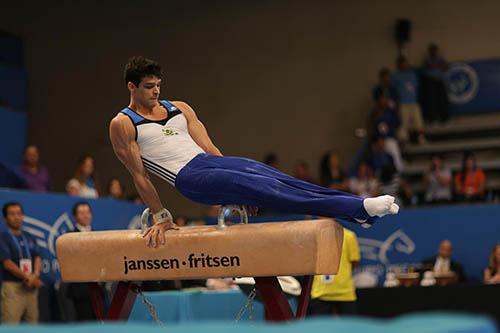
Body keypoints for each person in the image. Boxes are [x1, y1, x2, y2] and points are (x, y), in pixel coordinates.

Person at [109, 56, 399, 247]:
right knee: (275, 194)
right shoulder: (123, 123)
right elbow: (140, 175)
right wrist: (161, 216)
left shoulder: (180, 108)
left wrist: (235, 191)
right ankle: (358, 209)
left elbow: (209, 149)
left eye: (159, 85)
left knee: (276, 179)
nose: (156, 91)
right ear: (131, 86)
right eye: (149, 87)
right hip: (190, 179)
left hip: (209, 164)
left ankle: (358, 211)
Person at [0, 202, 43, 323]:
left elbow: (37, 257)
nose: (16, 217)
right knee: (10, 325)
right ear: (5, 218)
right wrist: (29, 278)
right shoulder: (3, 237)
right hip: (13, 288)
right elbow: (7, 263)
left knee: (32, 324)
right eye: (12, 214)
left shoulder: (28, 236)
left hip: (31, 288)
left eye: (19, 213)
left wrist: (35, 275)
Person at [309, 228, 360, 316]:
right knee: (320, 329)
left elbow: (354, 261)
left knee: (349, 329)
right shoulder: (313, 236)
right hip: (320, 292)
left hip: (345, 293)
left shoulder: (349, 236)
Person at [64, 202, 96, 321]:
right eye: (81, 213)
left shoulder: (99, 235)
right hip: (81, 289)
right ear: (75, 216)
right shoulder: (69, 237)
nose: (85, 215)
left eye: (87, 212)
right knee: (85, 322)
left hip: (98, 288)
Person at [392, 55, 426, 144]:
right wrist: (396, 103)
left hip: (414, 103)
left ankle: (421, 138)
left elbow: (416, 88)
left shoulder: (412, 74)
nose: (404, 66)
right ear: (398, 65)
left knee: (419, 123)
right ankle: (405, 141)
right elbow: (393, 91)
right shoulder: (395, 76)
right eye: (402, 64)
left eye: (405, 64)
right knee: (404, 124)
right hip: (403, 104)